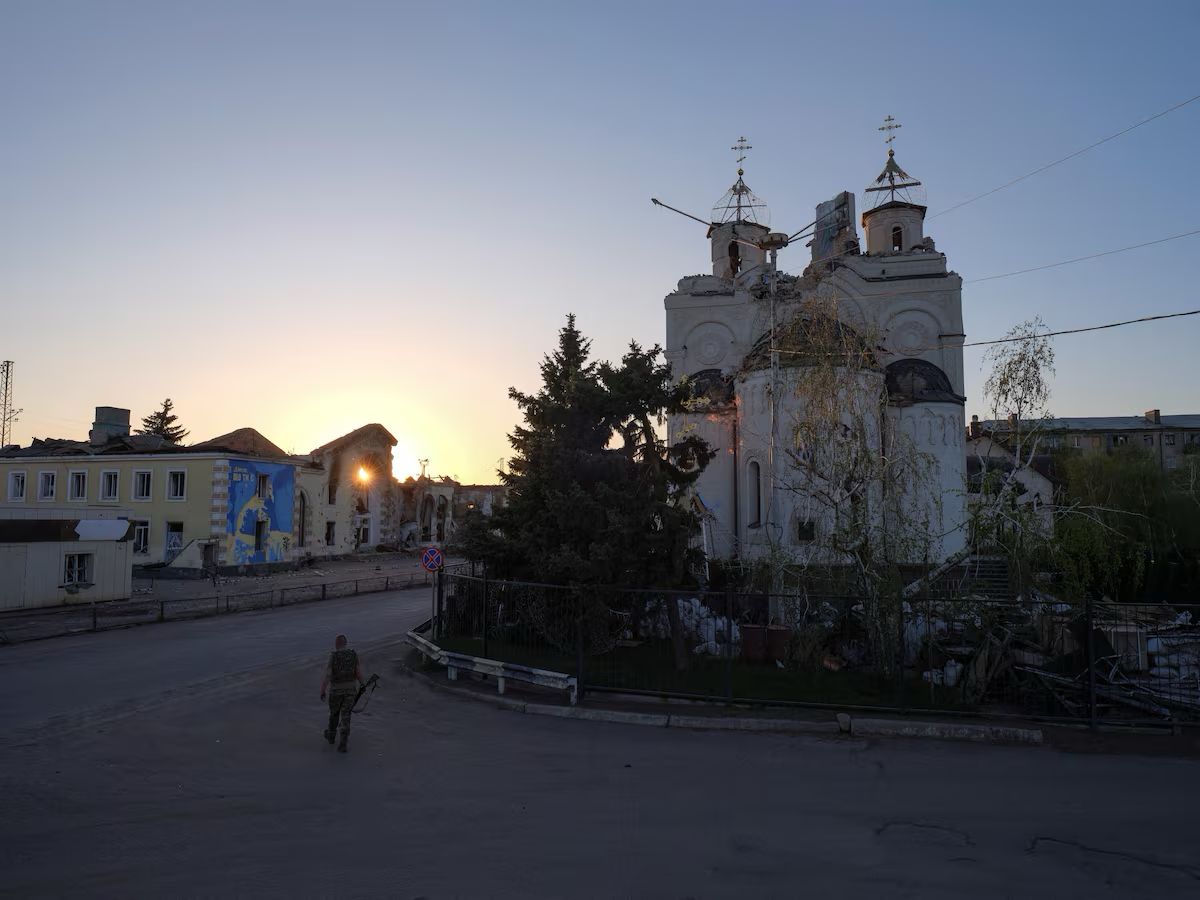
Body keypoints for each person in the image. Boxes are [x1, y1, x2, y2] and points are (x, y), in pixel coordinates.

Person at [320, 634, 364, 753]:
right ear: (345, 643)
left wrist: (323, 690)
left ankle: (331, 736)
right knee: (346, 716)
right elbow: (358, 672)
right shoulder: (353, 654)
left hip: (336, 691)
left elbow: (328, 675)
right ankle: (343, 743)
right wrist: (362, 684)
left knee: (334, 714)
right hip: (350, 691)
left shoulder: (333, 656)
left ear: (336, 644)